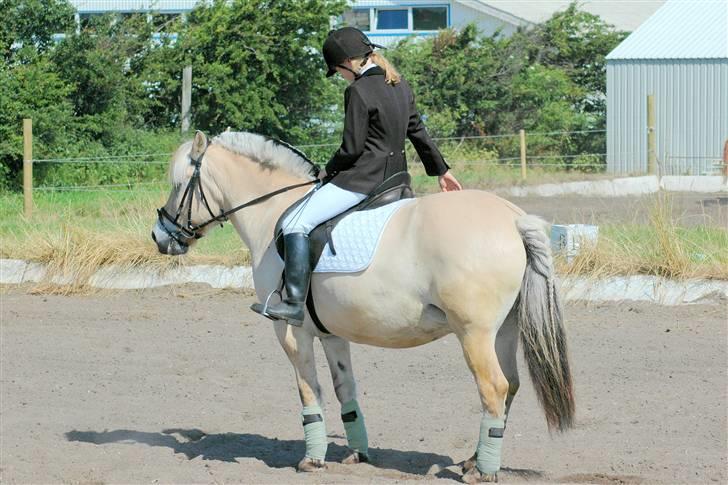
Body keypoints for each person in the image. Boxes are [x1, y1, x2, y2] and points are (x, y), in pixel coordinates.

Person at [251, 26, 462, 325]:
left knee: (296, 223)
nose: (340, 76)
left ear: (347, 63)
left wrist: (328, 169)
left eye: (337, 71)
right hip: (398, 180)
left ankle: (294, 303)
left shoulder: (358, 91)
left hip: (364, 181)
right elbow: (418, 133)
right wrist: (442, 170)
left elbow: (351, 149)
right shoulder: (401, 85)